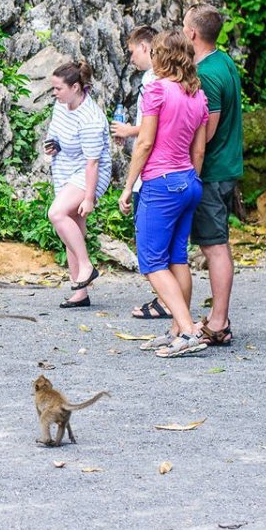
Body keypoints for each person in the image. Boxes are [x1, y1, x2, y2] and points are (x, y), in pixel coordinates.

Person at [118, 30, 210, 357]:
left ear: (162, 57)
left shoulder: (156, 89)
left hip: (160, 183)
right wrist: (189, 182)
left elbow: (144, 142)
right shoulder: (198, 96)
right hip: (189, 181)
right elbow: (199, 152)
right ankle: (177, 329)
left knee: (153, 263)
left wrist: (128, 186)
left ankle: (186, 330)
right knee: (177, 258)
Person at [185, 4, 242, 347]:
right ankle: (217, 316)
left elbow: (205, 133)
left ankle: (219, 321)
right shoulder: (225, 61)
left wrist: (190, 173)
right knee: (216, 243)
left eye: (183, 26)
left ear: (192, 34)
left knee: (215, 246)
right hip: (226, 166)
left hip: (213, 170)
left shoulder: (206, 73)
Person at [112, 25, 173, 321]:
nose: (131, 58)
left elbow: (154, 128)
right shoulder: (172, 80)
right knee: (173, 250)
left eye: (132, 51)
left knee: (151, 249)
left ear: (147, 48)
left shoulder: (153, 80)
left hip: (153, 171)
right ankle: (168, 301)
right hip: (177, 174)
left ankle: (170, 306)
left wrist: (130, 130)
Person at [44, 59, 111, 308]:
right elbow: (56, 132)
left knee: (57, 213)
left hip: (89, 173)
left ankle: (86, 267)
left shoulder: (91, 118)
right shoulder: (61, 105)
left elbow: (93, 164)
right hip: (65, 167)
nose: (54, 93)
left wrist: (88, 198)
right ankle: (80, 292)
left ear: (75, 87)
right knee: (73, 230)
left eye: (58, 88)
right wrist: (53, 145)